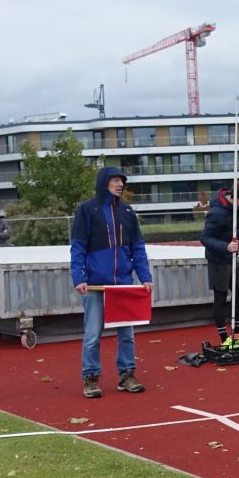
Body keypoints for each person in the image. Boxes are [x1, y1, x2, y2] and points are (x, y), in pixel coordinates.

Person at [70, 167, 152, 398]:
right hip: (95, 284)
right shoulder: (87, 210)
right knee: (92, 334)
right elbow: (78, 246)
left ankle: (127, 376)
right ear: (104, 183)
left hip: (123, 284)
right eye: (115, 180)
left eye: (121, 181)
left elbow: (138, 247)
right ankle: (90, 379)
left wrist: (145, 277)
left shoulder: (127, 211)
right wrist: (79, 277)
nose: (120, 185)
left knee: (127, 335)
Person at [200, 182, 239, 345]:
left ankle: (236, 333)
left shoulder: (237, 210)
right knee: (221, 296)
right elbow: (205, 238)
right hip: (218, 260)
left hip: (231, 259)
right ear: (236, 198)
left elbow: (234, 231)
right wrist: (226, 246)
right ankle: (224, 337)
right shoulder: (216, 213)